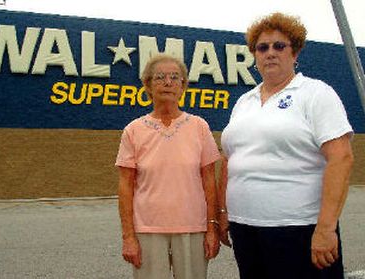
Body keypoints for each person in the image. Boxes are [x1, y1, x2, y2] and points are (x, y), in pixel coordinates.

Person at [217, 12, 354, 279]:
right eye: (262, 47)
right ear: (254, 55)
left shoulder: (316, 93)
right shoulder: (244, 101)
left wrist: (326, 228)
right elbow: (230, 160)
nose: (270, 53)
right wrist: (223, 213)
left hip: (299, 228)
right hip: (245, 228)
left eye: (279, 46)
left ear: (295, 52)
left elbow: (341, 158)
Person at [115, 54, 221, 279]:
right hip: (147, 230)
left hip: (193, 229)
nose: (168, 82)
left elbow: (209, 181)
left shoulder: (199, 127)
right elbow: (125, 186)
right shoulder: (133, 131)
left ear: (183, 86)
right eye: (160, 77)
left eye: (175, 77)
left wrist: (212, 229)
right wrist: (128, 236)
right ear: (148, 85)